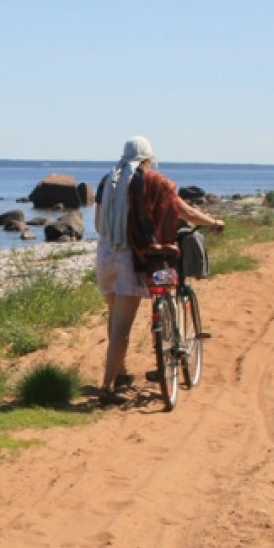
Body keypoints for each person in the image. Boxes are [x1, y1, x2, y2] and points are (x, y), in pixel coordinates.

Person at [93, 136, 224, 404]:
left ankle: (121, 372)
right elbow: (183, 211)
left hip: (106, 256)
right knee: (122, 329)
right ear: (148, 159)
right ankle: (107, 388)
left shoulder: (108, 181)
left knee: (114, 316)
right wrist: (212, 221)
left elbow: (97, 223)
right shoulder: (156, 182)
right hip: (135, 258)